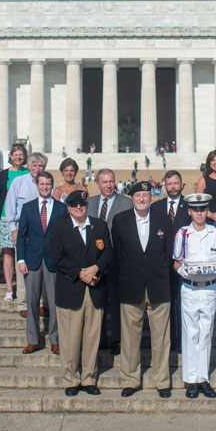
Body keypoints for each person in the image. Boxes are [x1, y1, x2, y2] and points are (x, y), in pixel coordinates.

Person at [50, 190, 114, 396]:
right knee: (70, 338)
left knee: (92, 337)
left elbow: (108, 252)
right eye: (74, 205)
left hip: (95, 288)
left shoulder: (99, 225)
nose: (79, 208)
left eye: (82, 204)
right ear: (68, 207)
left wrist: (95, 269)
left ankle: (89, 378)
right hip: (71, 288)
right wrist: (79, 273)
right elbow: (57, 257)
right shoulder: (60, 226)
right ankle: (71, 378)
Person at [111, 181, 172, 398]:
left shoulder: (163, 219)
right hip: (130, 284)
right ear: (132, 198)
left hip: (158, 284)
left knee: (161, 337)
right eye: (138, 195)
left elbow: (169, 251)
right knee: (129, 336)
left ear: (152, 196)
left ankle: (162, 381)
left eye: (146, 195)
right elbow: (117, 254)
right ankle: (130, 379)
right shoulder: (120, 221)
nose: (142, 199)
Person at [173, 193, 216, 399]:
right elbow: (176, 262)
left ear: (207, 211)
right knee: (191, 333)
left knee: (206, 333)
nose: (199, 213)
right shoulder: (183, 233)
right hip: (190, 288)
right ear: (189, 211)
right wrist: (184, 272)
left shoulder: (215, 233)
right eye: (195, 209)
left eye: (203, 209)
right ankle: (191, 379)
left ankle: (203, 378)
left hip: (209, 288)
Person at [16, 171, 66, 355]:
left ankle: (55, 339)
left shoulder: (61, 208)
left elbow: (64, 236)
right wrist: (21, 259)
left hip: (53, 260)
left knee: (54, 303)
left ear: (52, 186)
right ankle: (33, 339)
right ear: (37, 186)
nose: (45, 187)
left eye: (48, 184)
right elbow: (21, 236)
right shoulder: (28, 207)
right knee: (32, 301)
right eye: (42, 184)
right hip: (32, 259)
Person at [86, 168, 133, 355]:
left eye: (111, 181)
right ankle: (99, 338)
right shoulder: (89, 203)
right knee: (97, 302)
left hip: (116, 259)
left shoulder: (126, 203)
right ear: (97, 184)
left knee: (115, 301)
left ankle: (117, 339)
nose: (108, 185)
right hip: (94, 261)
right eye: (104, 182)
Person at [4, 152, 51, 316]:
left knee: (43, 264)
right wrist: (13, 230)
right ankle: (23, 304)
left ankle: (42, 303)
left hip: (43, 228)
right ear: (29, 166)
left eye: (41, 165)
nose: (37, 168)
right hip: (23, 227)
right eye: (34, 165)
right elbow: (10, 207)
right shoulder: (19, 181)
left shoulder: (47, 182)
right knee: (23, 264)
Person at [151, 170, 191, 348]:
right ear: (164, 185)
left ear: (181, 184)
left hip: (184, 261)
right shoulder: (157, 207)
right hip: (162, 262)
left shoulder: (190, 205)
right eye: (170, 184)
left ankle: (183, 340)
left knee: (183, 302)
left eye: (176, 183)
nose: (173, 187)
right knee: (166, 302)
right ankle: (170, 340)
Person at [0, 144, 30, 304]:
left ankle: (26, 288)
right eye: (15, 154)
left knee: (25, 253)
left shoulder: (29, 172)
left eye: (21, 154)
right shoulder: (4, 174)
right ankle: (9, 288)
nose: (18, 157)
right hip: (5, 217)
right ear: (11, 156)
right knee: (8, 254)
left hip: (26, 218)